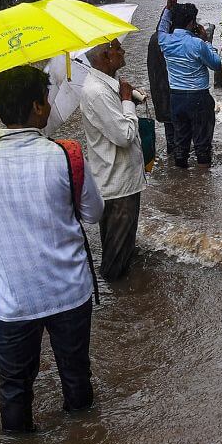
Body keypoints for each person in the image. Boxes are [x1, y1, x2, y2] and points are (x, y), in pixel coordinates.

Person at [0, 65, 104, 433]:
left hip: (13, 298)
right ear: (39, 107)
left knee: (14, 385)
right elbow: (92, 213)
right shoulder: (67, 154)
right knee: (75, 374)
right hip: (69, 289)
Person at [80, 37, 144, 283]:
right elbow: (124, 136)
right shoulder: (97, 92)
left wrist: (127, 97)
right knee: (116, 258)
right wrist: (127, 100)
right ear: (105, 56)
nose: (123, 50)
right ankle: (119, 308)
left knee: (122, 246)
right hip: (116, 184)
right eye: (117, 48)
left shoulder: (107, 86)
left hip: (121, 179)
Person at [160, 2, 221, 168]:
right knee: (202, 145)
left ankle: (181, 183)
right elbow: (216, 65)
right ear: (192, 23)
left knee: (180, 142)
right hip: (198, 97)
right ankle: (203, 182)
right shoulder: (197, 44)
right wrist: (207, 41)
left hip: (176, 98)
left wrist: (167, 9)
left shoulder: (164, 40)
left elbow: (162, 26)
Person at [146, 0, 178, 158]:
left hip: (162, 97)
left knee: (171, 137)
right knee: (181, 136)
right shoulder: (169, 42)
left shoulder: (155, 39)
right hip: (172, 94)